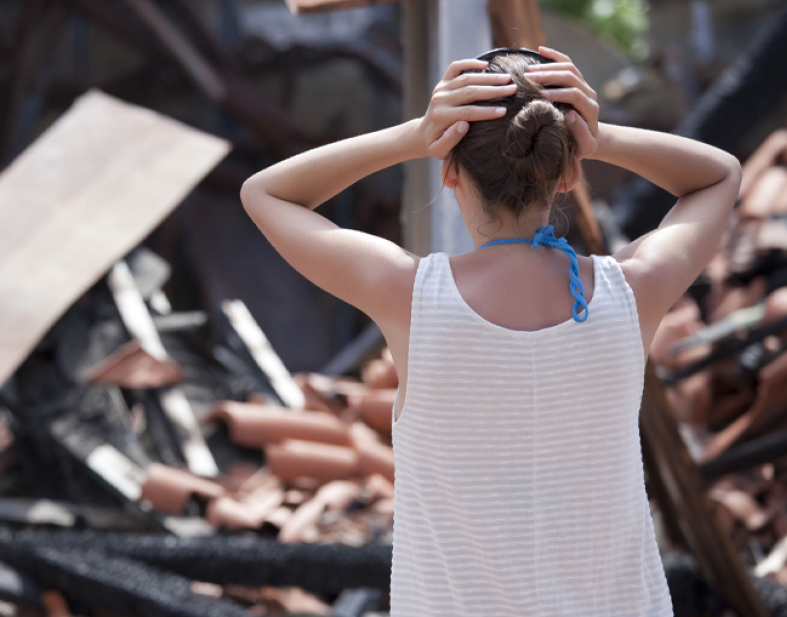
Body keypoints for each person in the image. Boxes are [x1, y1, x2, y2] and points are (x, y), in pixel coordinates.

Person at [239, 45, 741, 615]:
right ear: (570, 171)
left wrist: (413, 135)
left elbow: (266, 192)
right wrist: (602, 136)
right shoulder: (631, 292)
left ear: (448, 169)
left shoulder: (409, 297)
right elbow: (719, 174)